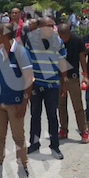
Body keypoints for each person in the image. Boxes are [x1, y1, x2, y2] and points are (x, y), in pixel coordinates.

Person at [0, 22, 34, 178]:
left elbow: (28, 79)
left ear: (5, 36)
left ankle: (23, 171)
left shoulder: (20, 52)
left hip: (15, 104)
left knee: (18, 138)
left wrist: (24, 102)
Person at [24, 17, 66, 160]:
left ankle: (55, 146)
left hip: (52, 84)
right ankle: (34, 144)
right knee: (35, 115)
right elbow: (26, 62)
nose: (50, 28)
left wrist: (64, 83)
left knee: (52, 115)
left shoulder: (58, 41)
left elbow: (62, 63)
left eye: (52, 25)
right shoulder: (30, 40)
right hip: (36, 84)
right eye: (47, 25)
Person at [56, 24, 89, 144]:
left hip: (73, 77)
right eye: (61, 36)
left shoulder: (77, 40)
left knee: (78, 106)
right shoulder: (55, 41)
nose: (63, 39)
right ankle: (63, 129)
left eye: (65, 37)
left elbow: (82, 58)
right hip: (59, 77)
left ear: (69, 33)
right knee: (61, 105)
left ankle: (83, 131)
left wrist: (85, 75)